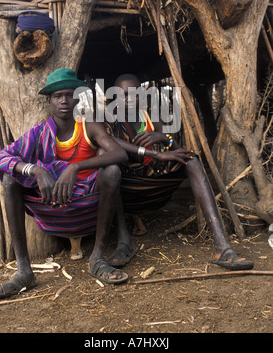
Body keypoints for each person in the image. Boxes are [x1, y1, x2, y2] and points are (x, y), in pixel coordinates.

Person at [0, 69, 134, 298]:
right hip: (52, 207)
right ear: (49, 101)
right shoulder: (39, 132)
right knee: (9, 179)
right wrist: (36, 169)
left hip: (88, 202)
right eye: (57, 96)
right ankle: (24, 270)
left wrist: (75, 167)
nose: (64, 100)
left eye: (68, 94)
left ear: (77, 98)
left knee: (112, 170)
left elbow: (120, 154)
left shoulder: (88, 126)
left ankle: (97, 258)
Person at [105, 73, 254, 271]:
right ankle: (124, 241)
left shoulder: (151, 119)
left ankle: (222, 246)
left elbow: (175, 150)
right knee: (109, 171)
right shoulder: (109, 121)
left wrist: (164, 139)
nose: (130, 99)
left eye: (134, 93)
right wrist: (153, 154)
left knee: (190, 159)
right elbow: (111, 144)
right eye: (123, 95)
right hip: (126, 185)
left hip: (151, 182)